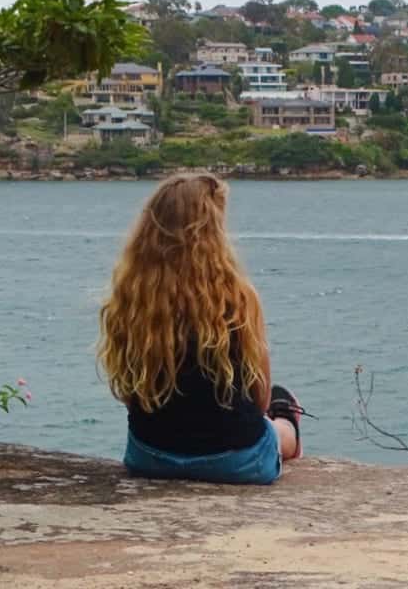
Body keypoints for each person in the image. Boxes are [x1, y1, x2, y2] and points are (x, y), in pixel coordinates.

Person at [97, 173, 303, 484]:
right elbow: (259, 398)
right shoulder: (239, 298)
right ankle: (289, 419)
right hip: (237, 462)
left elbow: (129, 393)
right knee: (279, 414)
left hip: (150, 457)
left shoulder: (130, 299)